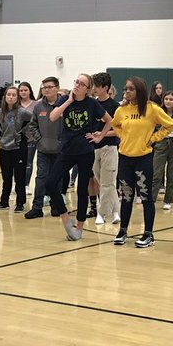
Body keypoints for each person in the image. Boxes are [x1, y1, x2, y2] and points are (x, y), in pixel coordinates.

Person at [106, 77, 173, 247]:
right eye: (125, 89)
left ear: (139, 90)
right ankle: (123, 230)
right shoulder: (122, 110)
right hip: (125, 157)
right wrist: (123, 136)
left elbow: (170, 125)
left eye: (130, 89)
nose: (126, 92)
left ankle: (148, 234)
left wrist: (154, 138)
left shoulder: (152, 109)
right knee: (127, 196)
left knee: (145, 197)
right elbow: (114, 125)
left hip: (143, 158)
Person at [45, 73, 111, 241]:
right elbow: (52, 117)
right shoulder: (65, 99)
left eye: (82, 84)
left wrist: (100, 136)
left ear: (87, 89)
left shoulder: (92, 103)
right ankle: (65, 217)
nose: (77, 85)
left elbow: (109, 120)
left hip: (85, 151)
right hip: (66, 150)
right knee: (51, 183)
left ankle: (79, 228)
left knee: (82, 190)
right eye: (76, 81)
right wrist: (68, 101)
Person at [25, 77, 67, 219]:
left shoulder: (65, 104)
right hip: (43, 149)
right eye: (44, 87)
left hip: (60, 150)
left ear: (57, 87)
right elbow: (32, 125)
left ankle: (56, 206)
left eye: (49, 87)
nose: (46, 90)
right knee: (41, 177)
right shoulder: (38, 106)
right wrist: (39, 140)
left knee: (57, 178)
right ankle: (37, 207)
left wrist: (64, 142)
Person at [0, 85, 33, 211]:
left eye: (14, 95)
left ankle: (20, 203)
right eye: (9, 94)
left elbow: (33, 120)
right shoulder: (0, 112)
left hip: (18, 147)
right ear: (5, 97)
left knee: (19, 176)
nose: (11, 97)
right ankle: (4, 201)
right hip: (4, 147)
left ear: (17, 97)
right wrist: (2, 131)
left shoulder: (22, 112)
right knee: (6, 176)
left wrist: (22, 131)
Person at [91, 72, 121, 225]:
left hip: (110, 147)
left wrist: (103, 134)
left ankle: (101, 213)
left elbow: (120, 130)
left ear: (106, 88)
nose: (94, 88)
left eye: (97, 86)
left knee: (107, 182)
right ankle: (116, 211)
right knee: (101, 181)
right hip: (93, 148)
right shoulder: (91, 104)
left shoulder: (116, 107)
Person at [152, 90, 173, 210]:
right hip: (161, 143)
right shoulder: (158, 112)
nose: (168, 101)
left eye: (171, 99)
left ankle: (168, 200)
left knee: (172, 174)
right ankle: (152, 199)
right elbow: (152, 127)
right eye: (166, 99)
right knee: (156, 174)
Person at [18, 81, 38, 190]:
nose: (23, 92)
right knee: (17, 162)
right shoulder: (16, 105)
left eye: (25, 90)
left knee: (28, 162)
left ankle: (26, 185)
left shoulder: (36, 104)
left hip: (31, 138)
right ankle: (17, 183)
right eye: (21, 90)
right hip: (17, 139)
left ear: (30, 91)